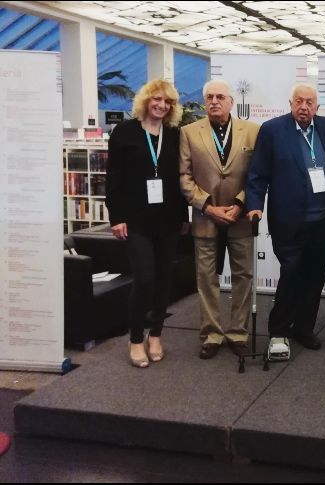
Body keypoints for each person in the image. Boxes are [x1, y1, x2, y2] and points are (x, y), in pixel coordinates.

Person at [246, 83, 325, 358]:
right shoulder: (272, 130)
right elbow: (258, 173)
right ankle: (278, 330)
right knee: (291, 273)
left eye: (309, 102)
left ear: (317, 107)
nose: (304, 106)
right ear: (290, 104)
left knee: (314, 277)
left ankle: (304, 328)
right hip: (288, 221)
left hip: (322, 220)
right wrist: (254, 205)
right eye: (299, 101)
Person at [106, 79, 189, 368]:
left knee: (164, 278)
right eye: (157, 99)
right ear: (145, 100)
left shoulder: (174, 134)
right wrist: (116, 217)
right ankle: (135, 338)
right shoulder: (124, 132)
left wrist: (183, 216)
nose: (162, 106)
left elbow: (179, 179)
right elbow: (113, 178)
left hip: (168, 219)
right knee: (144, 278)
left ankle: (156, 335)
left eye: (168, 102)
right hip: (136, 220)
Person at [179, 79, 260, 360]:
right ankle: (211, 334)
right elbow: (184, 177)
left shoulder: (253, 131)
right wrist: (207, 206)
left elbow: (257, 175)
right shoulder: (189, 132)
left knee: (243, 276)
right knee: (206, 279)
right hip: (205, 217)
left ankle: (238, 333)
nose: (214, 101)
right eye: (210, 97)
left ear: (231, 102)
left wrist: (240, 203)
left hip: (240, 217)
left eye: (220, 97)